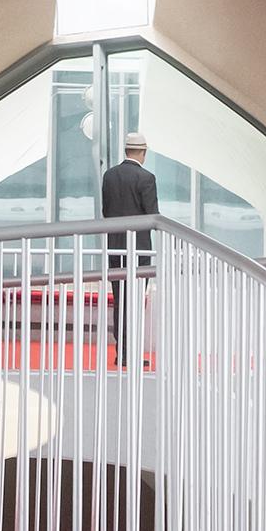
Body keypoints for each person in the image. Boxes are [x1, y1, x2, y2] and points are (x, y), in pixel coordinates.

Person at [100, 133, 157, 366]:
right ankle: (132, 352)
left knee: (119, 298)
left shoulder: (109, 176)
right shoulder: (147, 178)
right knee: (134, 300)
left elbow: (107, 211)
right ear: (143, 152)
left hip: (115, 247)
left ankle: (121, 351)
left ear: (126, 151)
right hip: (139, 249)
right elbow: (152, 214)